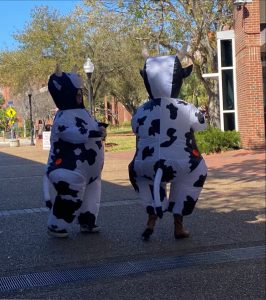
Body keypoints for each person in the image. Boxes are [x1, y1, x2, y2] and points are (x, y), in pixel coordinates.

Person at [128, 54, 208, 241]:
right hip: (182, 163)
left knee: (144, 176)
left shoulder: (141, 110)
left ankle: (152, 218)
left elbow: (135, 128)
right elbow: (201, 125)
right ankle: (178, 226)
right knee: (195, 172)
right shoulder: (186, 107)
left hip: (144, 164)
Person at [43, 65, 107, 238]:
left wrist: (99, 128)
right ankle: (56, 224)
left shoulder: (83, 113)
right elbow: (69, 134)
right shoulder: (63, 116)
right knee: (72, 194)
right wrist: (91, 133)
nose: (79, 95)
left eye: (80, 93)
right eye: (76, 92)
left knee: (92, 196)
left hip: (91, 171)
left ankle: (87, 220)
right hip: (68, 168)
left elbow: (90, 127)